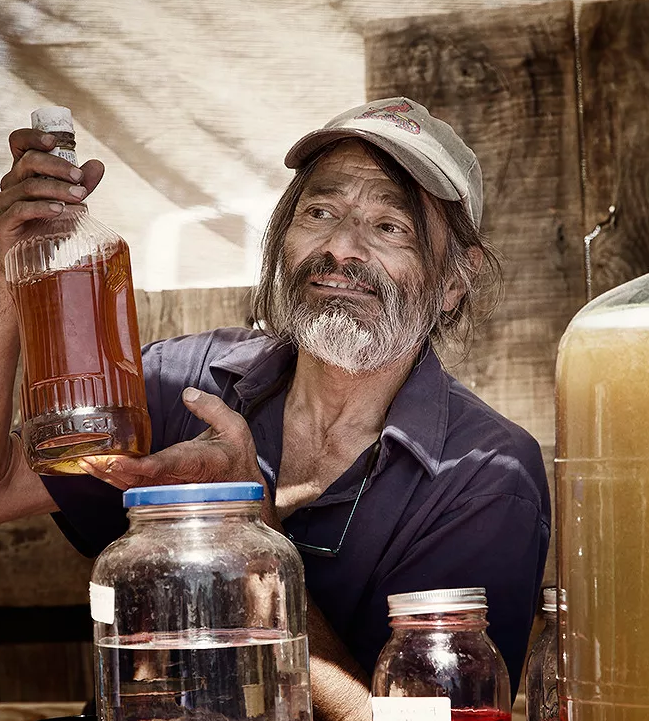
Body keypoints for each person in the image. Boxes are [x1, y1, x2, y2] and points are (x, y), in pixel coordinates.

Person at [0, 97, 550, 719]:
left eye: (388, 226)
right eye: (319, 212)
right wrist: (5, 269)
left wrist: (246, 542)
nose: (341, 247)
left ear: (454, 280)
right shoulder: (186, 385)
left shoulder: (486, 479)